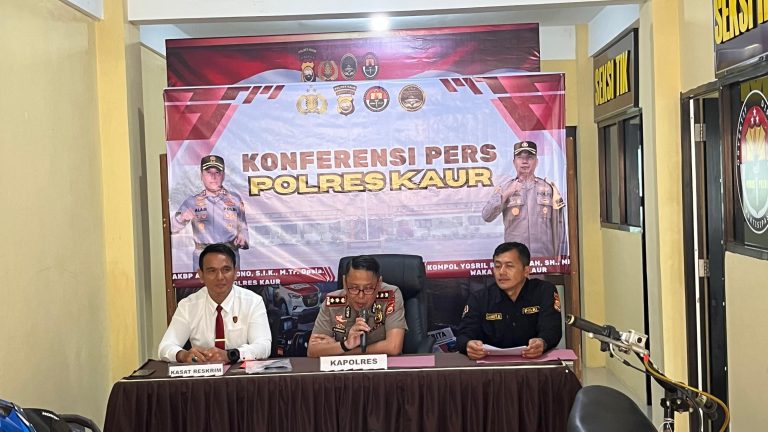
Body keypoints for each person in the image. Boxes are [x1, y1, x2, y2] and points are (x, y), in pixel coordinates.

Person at [158, 243, 271, 363]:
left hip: (240, 373)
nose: (220, 277)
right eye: (212, 271)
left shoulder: (253, 302)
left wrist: (231, 355)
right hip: (203, 373)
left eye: (226, 270)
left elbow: (263, 346)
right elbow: (165, 347)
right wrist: (183, 355)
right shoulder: (188, 306)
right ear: (201, 275)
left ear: (235, 273)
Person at [456, 242, 562, 360]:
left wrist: (542, 342)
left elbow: (552, 330)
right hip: (492, 366)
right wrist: (468, 345)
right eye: (497, 266)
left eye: (509, 266)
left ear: (526, 270)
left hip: (534, 363)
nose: (502, 272)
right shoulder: (479, 298)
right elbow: (464, 335)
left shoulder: (544, 291)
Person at [307, 255, 407, 357]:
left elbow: (393, 347)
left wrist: (342, 349)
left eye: (368, 288)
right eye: (354, 288)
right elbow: (312, 350)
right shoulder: (333, 302)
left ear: (379, 283)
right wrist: (346, 345)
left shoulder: (390, 295)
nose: (361, 296)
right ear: (344, 282)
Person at [482, 140, 568, 258]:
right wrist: (507, 193)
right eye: (520, 158)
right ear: (514, 162)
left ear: (536, 162)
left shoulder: (549, 189)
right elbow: (487, 216)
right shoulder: (504, 188)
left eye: (530, 157)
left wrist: (562, 259)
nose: (525, 161)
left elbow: (559, 227)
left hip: (544, 258)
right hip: (516, 259)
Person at [171, 155, 249, 270]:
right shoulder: (192, 201)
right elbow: (171, 228)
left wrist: (243, 238)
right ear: (201, 175)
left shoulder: (235, 199)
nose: (213, 177)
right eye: (208, 172)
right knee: (202, 282)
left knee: (231, 282)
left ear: (223, 175)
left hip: (229, 254)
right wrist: (181, 218)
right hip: (203, 256)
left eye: (217, 172)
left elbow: (243, 226)